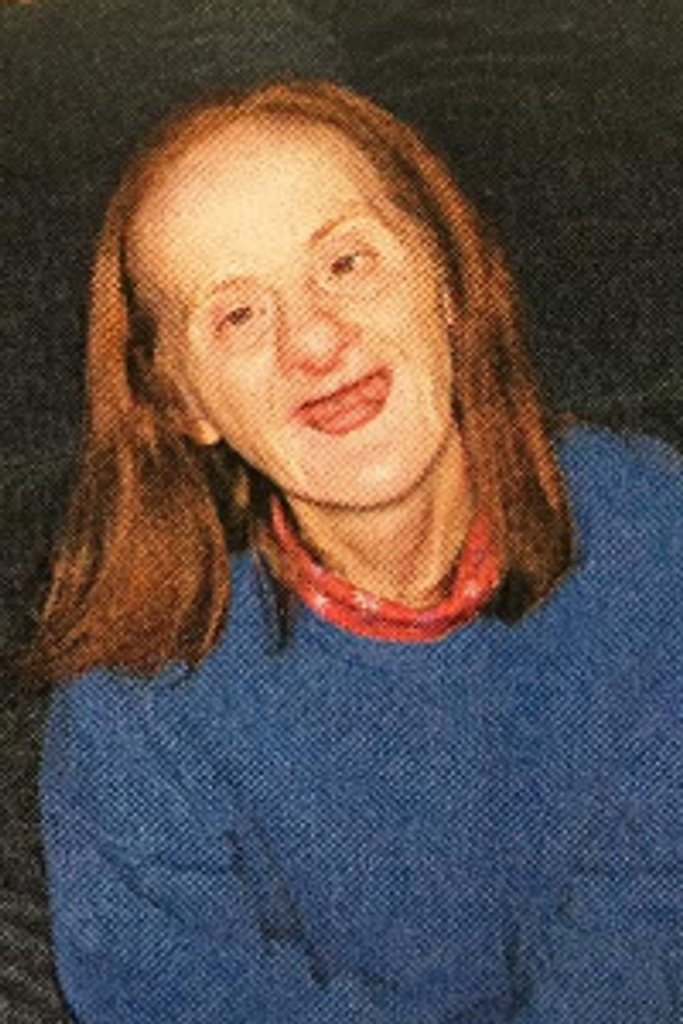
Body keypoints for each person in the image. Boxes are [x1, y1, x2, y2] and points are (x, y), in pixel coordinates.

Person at [32, 79, 683, 1022]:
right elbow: (174, 992)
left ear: (448, 281)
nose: (313, 340)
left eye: (345, 262)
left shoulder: (651, 529)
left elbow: (653, 912)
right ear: (182, 403)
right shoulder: (138, 691)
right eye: (237, 315)